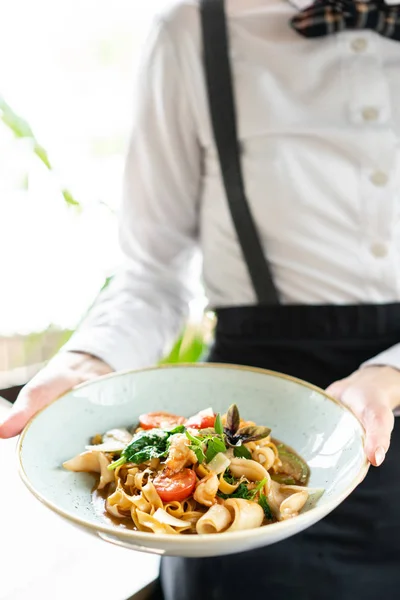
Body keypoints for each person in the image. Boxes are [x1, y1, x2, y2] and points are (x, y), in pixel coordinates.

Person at [2, 0, 400, 597]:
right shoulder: (192, 30)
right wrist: (91, 363)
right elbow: (153, 273)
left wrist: (389, 373)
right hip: (249, 422)